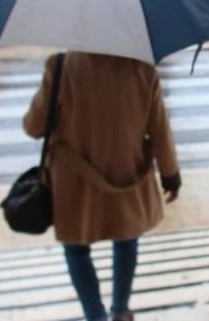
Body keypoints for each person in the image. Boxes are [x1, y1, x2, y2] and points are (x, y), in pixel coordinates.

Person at [24, 52, 181, 321]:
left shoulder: (60, 66)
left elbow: (34, 127)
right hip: (127, 173)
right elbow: (159, 130)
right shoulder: (143, 70)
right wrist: (170, 175)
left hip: (73, 179)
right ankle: (120, 311)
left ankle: (95, 316)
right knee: (126, 239)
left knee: (75, 247)